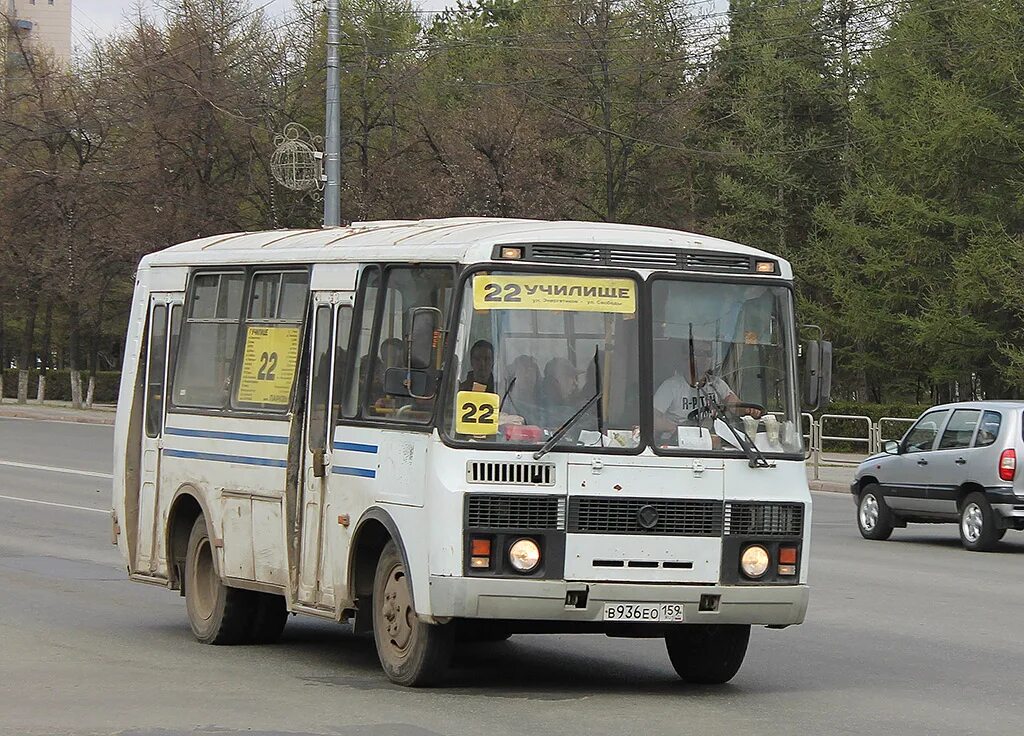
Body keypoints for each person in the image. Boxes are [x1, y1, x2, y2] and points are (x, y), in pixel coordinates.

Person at [653, 338, 759, 439]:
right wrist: (676, 429)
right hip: (676, 442)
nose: (704, 358)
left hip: (708, 442)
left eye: (708, 354)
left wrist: (749, 410)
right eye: (699, 353)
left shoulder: (716, 384)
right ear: (687, 358)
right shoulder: (671, 386)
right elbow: (652, 418)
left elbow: (735, 406)